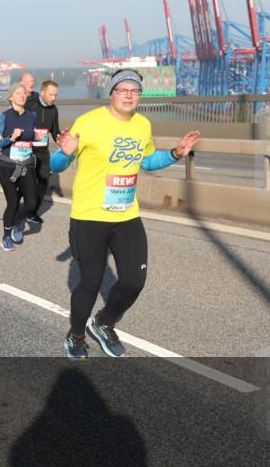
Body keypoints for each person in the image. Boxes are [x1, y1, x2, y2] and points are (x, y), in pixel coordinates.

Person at [51, 69, 201, 360]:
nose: (130, 95)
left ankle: (104, 322)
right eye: (123, 90)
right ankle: (76, 335)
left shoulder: (142, 124)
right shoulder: (90, 122)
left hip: (126, 215)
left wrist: (175, 154)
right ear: (113, 93)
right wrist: (64, 152)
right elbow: (57, 165)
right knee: (90, 282)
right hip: (90, 216)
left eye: (135, 91)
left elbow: (147, 160)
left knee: (134, 281)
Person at [0, 84, 38, 251]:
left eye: (24, 93)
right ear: (11, 97)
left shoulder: (32, 116)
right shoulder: (4, 117)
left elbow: (31, 139)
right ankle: (5, 237)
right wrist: (11, 138)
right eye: (18, 93)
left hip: (26, 164)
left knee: (32, 202)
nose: (22, 96)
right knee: (12, 203)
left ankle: (18, 223)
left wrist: (36, 137)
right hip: (7, 166)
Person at [25, 80, 61, 223]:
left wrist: (61, 138)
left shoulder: (54, 110)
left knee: (44, 180)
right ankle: (22, 207)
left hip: (43, 151)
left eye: (56, 95)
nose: (54, 98)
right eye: (51, 94)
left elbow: (55, 131)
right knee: (27, 183)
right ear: (42, 93)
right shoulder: (30, 105)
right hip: (27, 150)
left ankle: (32, 212)